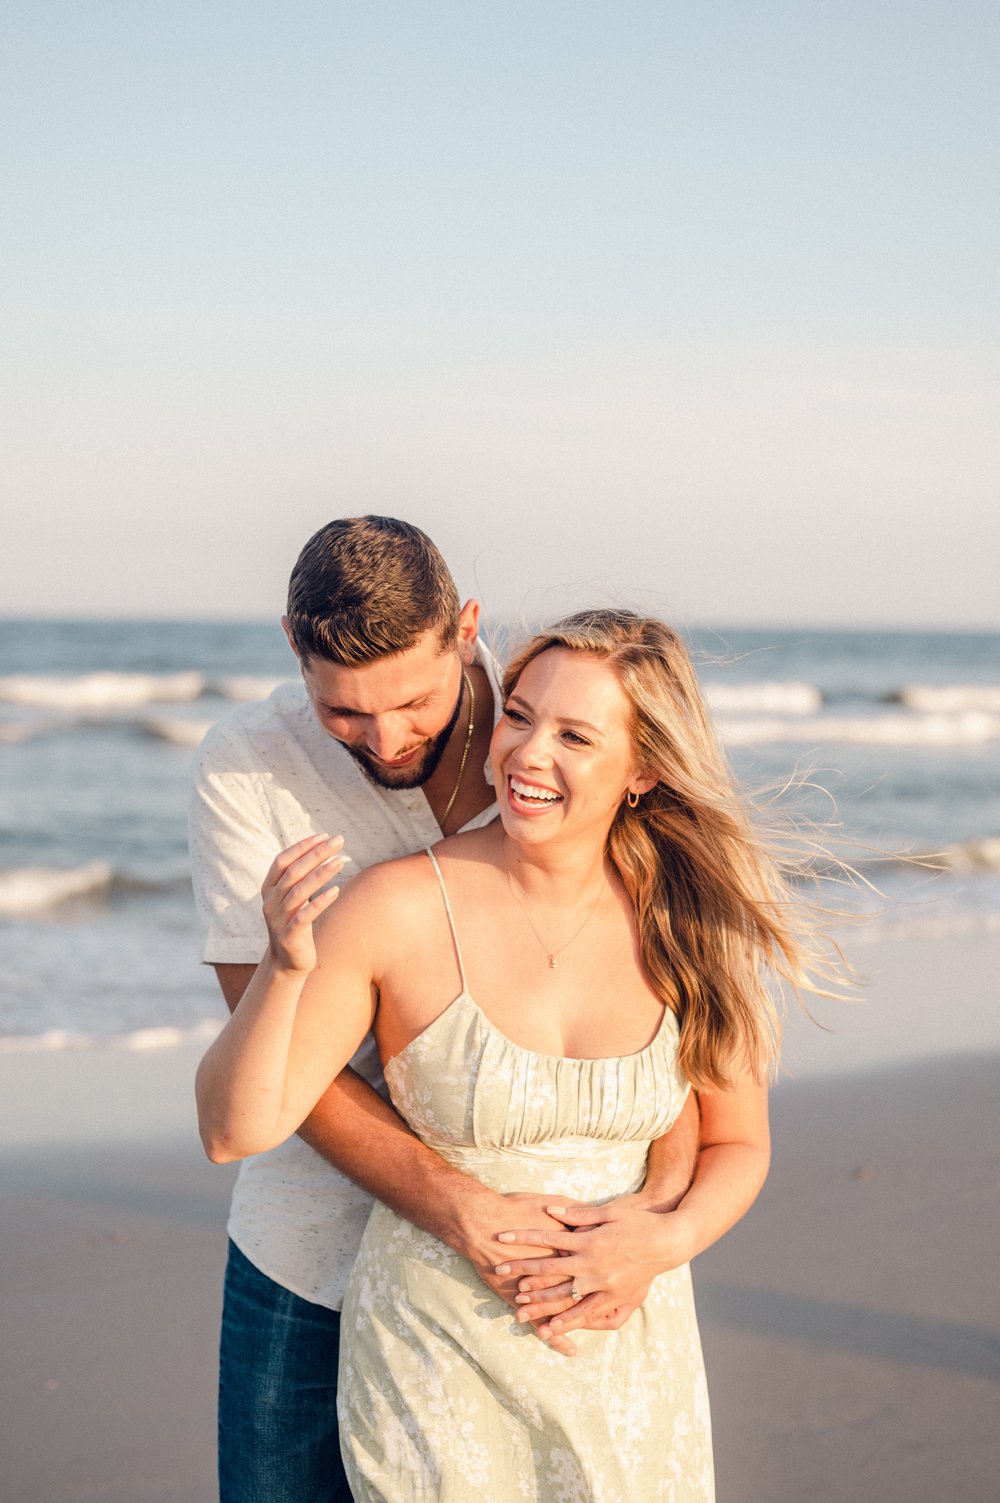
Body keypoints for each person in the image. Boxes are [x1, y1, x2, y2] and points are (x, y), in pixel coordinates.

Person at [197, 608, 842, 1500]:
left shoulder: (695, 925)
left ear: (644, 768)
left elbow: (739, 1142)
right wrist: (283, 965)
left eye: (576, 734)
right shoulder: (394, 907)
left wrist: (663, 1239)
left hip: (626, 1361)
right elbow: (234, 1127)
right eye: (520, 715)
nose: (528, 754)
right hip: (433, 1356)